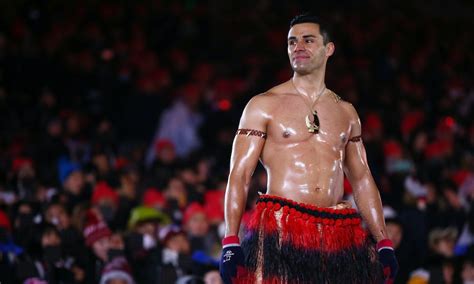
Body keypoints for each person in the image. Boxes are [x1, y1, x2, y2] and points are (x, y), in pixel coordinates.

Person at [219, 13, 398, 284]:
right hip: (280, 227)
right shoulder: (263, 104)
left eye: (308, 40)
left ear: (329, 49)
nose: (298, 46)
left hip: (337, 232)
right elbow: (239, 173)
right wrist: (231, 240)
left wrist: (383, 240)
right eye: (292, 42)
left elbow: (361, 178)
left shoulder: (347, 113)